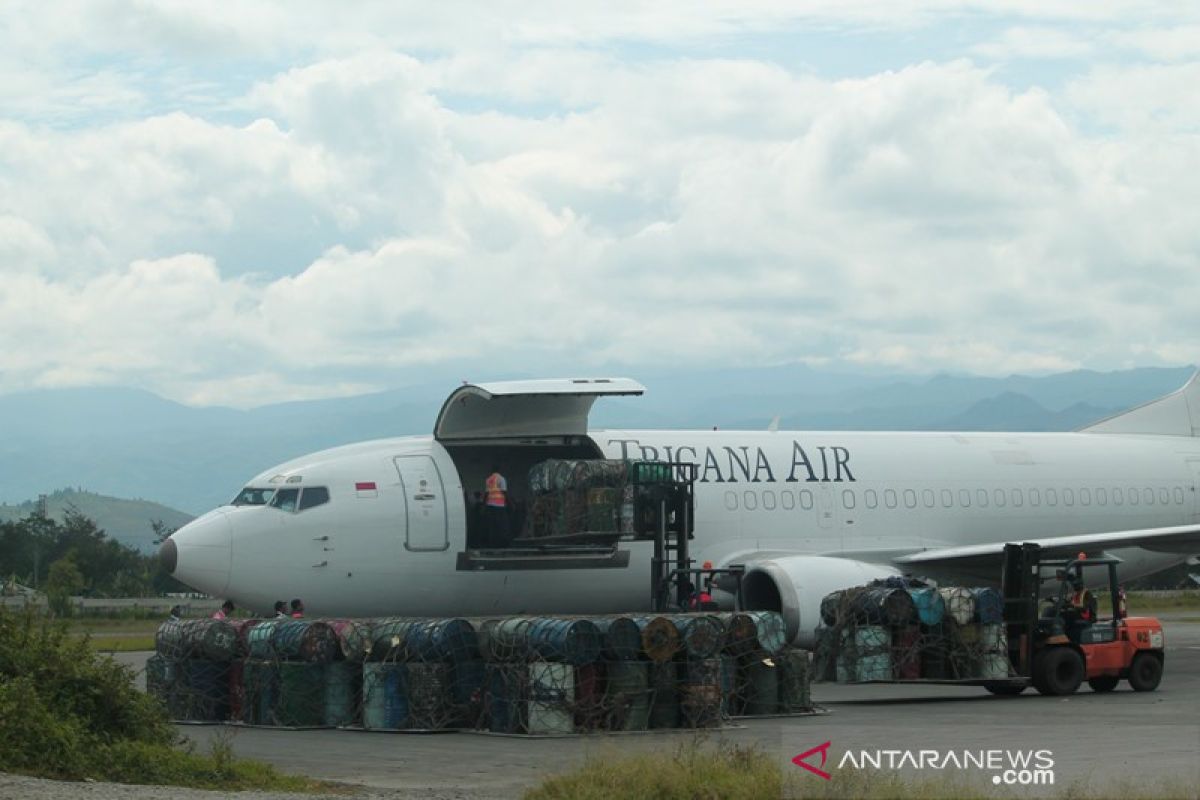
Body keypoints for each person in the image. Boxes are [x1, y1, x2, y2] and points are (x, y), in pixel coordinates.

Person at [483, 465, 510, 548]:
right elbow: (504, 492)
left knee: (492, 526)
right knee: (501, 525)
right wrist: (509, 502)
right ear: (499, 470)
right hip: (499, 505)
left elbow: (487, 494)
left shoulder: (488, 480)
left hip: (490, 505)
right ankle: (501, 544)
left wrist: (484, 504)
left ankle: (492, 544)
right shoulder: (501, 479)